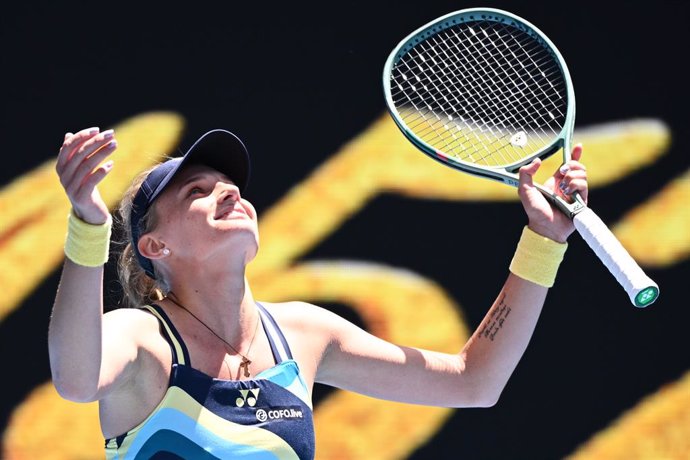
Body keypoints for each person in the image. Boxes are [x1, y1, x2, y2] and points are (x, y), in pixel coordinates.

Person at [48, 126, 588, 459]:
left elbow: (475, 381)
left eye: (230, 185)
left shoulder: (306, 333)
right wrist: (88, 230)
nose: (229, 191)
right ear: (156, 246)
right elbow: (75, 382)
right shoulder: (144, 337)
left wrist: (543, 242)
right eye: (198, 191)